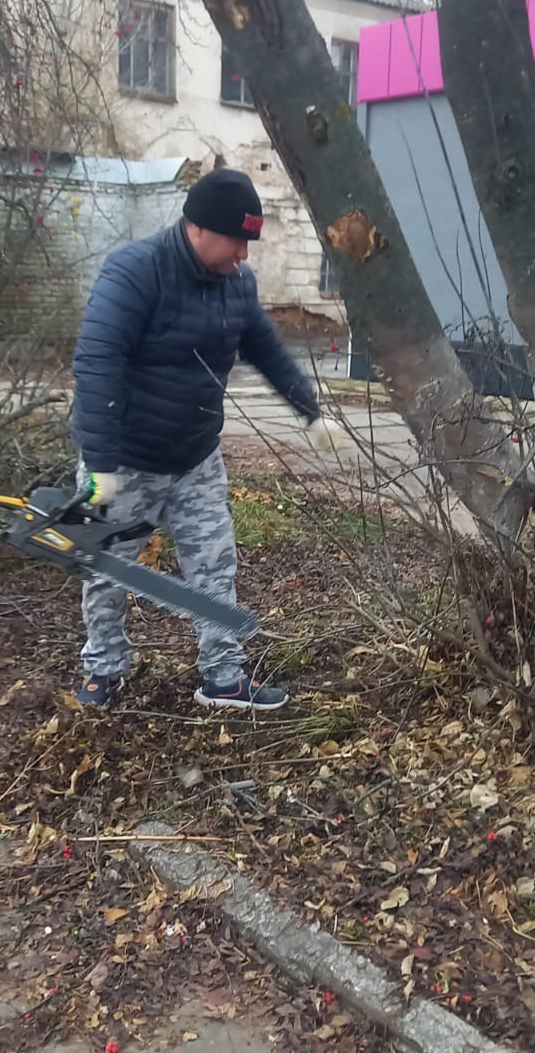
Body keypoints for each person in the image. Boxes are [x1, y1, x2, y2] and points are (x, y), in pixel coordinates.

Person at [71, 167, 339, 711]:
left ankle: (223, 676)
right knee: (106, 569)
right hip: (125, 459)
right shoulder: (134, 272)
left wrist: (310, 412)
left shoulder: (237, 284)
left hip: (194, 457)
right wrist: (100, 465)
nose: (245, 254)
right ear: (199, 228)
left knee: (214, 565)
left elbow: (264, 347)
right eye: (238, 240)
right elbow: (97, 363)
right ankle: (104, 668)